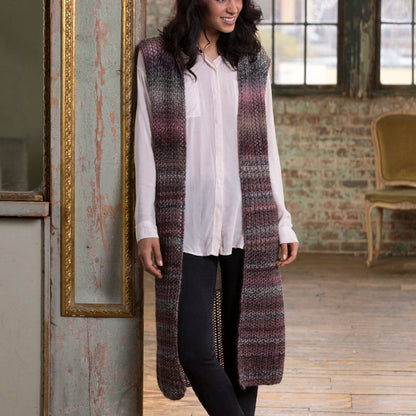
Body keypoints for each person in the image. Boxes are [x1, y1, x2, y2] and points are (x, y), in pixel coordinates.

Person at [134, 0, 299, 414]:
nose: (232, 6)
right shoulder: (156, 58)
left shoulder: (252, 61)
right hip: (187, 224)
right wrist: (145, 224)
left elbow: (267, 146)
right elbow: (145, 145)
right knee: (192, 349)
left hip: (248, 221)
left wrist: (282, 222)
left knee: (244, 352)